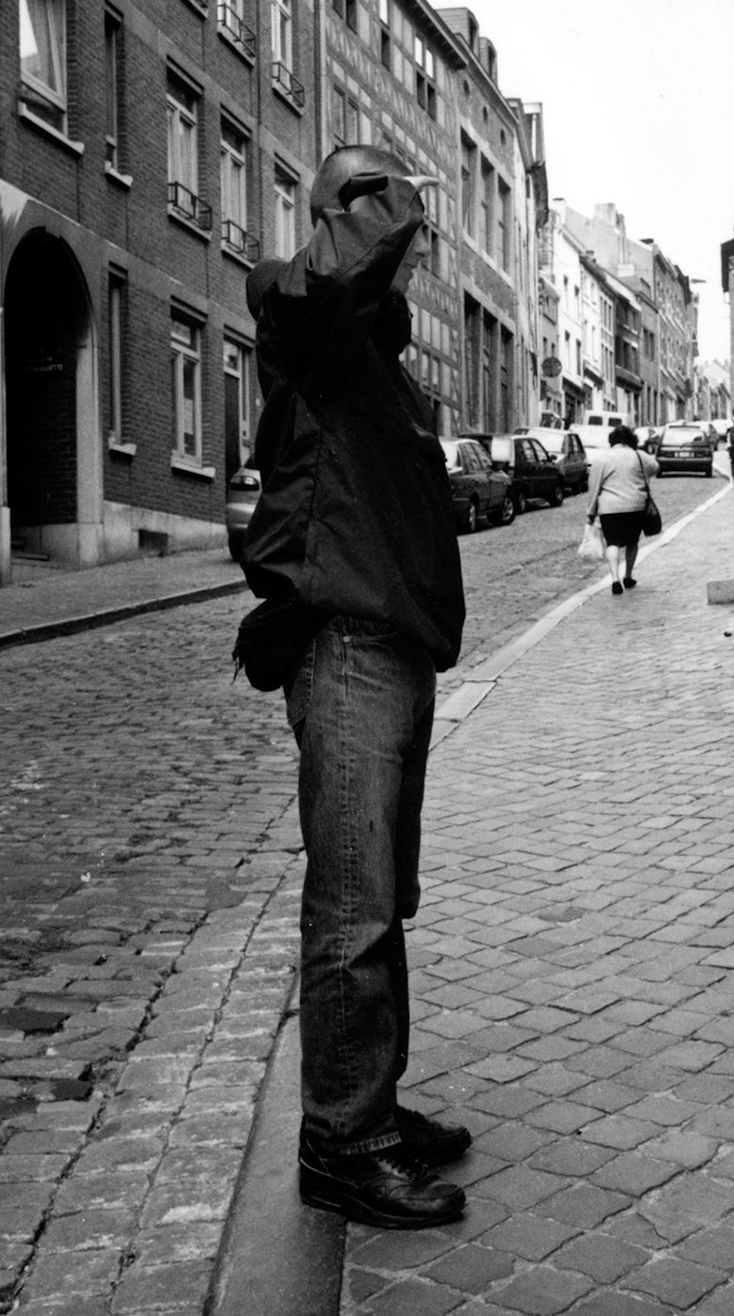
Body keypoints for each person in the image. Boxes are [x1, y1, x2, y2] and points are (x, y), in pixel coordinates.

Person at [237, 145, 470, 1229]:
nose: (413, 248)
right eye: (394, 221)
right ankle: (342, 1142)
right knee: (352, 905)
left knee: (382, 899)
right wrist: (399, 193)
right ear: (348, 213)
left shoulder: (367, 350)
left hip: (395, 649)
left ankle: (369, 1102)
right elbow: (333, 269)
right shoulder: (308, 319)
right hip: (347, 650)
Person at [586, 424, 661, 596]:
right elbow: (656, 467)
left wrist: (591, 512)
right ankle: (628, 575)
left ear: (612, 441)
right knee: (632, 542)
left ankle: (615, 579)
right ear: (631, 440)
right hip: (635, 506)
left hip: (609, 509)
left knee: (612, 543)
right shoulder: (639, 455)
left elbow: (594, 487)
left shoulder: (602, 459)